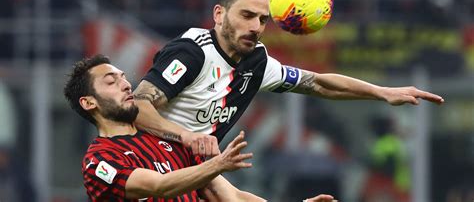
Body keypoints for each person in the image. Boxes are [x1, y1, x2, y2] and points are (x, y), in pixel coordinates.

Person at [132, 0, 444, 156]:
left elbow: (318, 84)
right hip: (147, 163)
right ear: (218, 14)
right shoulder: (191, 53)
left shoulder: (257, 61)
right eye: (246, 15)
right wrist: (188, 137)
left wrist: (382, 92)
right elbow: (139, 105)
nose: (256, 27)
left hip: (193, 170)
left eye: (263, 20)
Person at [63, 55, 336, 202]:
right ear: (88, 103)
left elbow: (232, 197)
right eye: (111, 81)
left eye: (123, 77)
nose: (125, 84)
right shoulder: (99, 161)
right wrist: (217, 164)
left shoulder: (168, 142)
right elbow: (159, 187)